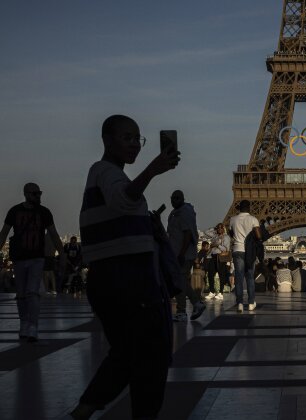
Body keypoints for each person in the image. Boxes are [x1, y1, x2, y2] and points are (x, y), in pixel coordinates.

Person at [70, 114, 180, 419]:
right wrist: (153, 170)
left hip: (115, 278)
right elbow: (123, 198)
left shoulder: (109, 174)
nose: (134, 144)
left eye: (137, 139)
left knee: (130, 352)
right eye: (127, 138)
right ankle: (97, 406)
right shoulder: (105, 172)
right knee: (151, 353)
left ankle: (87, 406)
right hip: (125, 278)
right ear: (107, 140)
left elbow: (121, 207)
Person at [0, 183, 64, 341]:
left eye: (39, 193)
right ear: (27, 194)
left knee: (32, 292)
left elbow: (54, 234)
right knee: (22, 294)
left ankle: (32, 326)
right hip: (20, 258)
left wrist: (62, 253)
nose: (39, 196)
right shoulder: (15, 211)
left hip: (36, 258)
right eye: (36, 193)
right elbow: (4, 233)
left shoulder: (43, 212)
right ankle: (25, 325)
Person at [168, 190, 206, 322]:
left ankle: (182, 311)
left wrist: (181, 253)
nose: (174, 200)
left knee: (179, 281)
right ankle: (197, 303)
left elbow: (187, 234)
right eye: (172, 198)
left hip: (183, 254)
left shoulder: (184, 212)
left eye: (177, 198)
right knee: (182, 281)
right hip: (179, 253)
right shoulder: (175, 213)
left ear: (183, 198)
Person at [229, 200, 261, 312]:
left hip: (238, 250)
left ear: (238, 208)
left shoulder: (233, 219)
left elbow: (231, 233)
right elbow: (258, 236)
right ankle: (251, 303)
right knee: (250, 277)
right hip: (249, 251)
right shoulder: (253, 219)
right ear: (249, 208)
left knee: (239, 278)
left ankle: (240, 304)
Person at [207, 223, 231, 300]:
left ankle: (221, 292)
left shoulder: (226, 237)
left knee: (221, 275)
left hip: (220, 256)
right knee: (210, 274)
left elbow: (226, 249)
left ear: (223, 229)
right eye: (218, 228)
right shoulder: (215, 236)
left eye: (221, 228)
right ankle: (212, 291)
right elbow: (206, 232)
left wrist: (217, 245)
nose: (219, 229)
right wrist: (214, 228)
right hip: (213, 256)